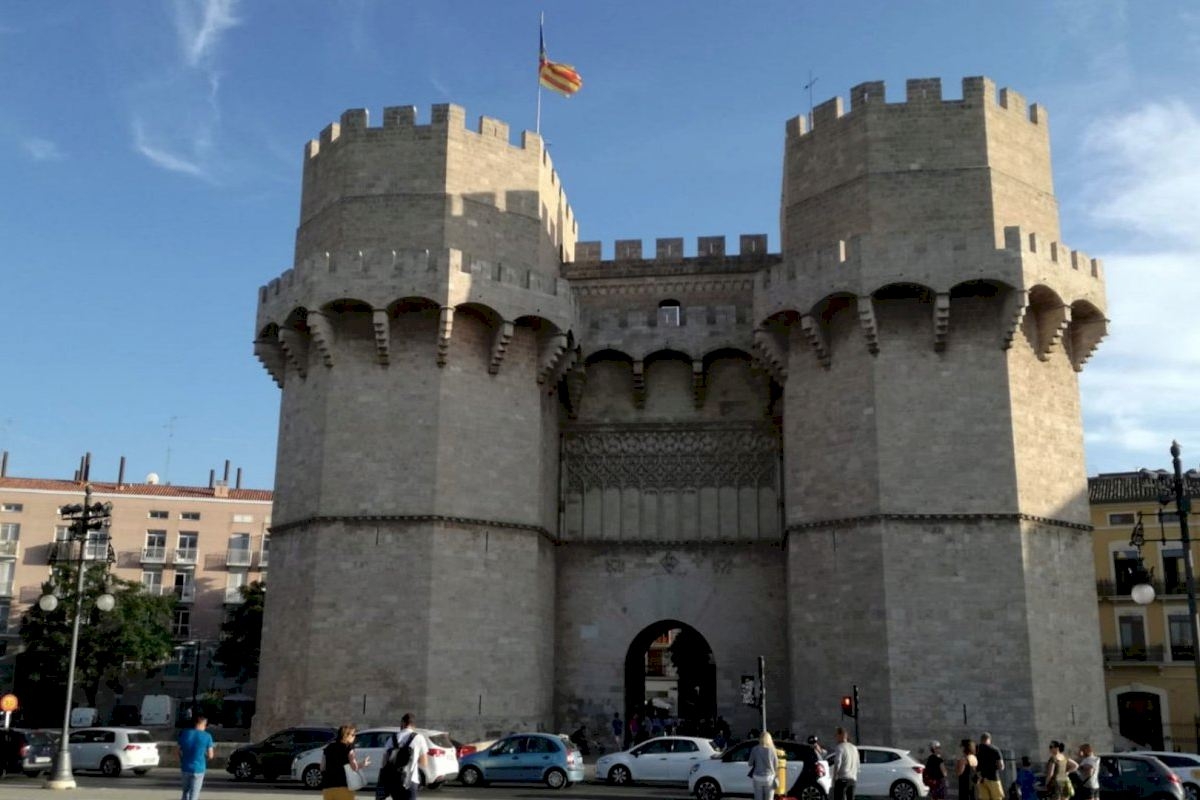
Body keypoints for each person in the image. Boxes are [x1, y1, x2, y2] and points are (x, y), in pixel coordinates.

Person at [381, 712, 429, 800]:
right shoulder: (419, 738)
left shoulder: (392, 738)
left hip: (394, 781)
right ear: (414, 725)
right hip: (410, 780)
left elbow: (384, 762)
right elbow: (424, 763)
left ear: (402, 723)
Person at [321, 724, 368, 800]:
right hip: (344, 787)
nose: (354, 737)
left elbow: (322, 767)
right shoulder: (348, 748)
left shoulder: (329, 747)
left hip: (328, 788)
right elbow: (354, 767)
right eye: (353, 735)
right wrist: (363, 764)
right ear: (346, 735)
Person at [178, 715, 214, 800]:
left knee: (185, 792)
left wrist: (182, 760)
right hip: (199, 768)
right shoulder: (207, 736)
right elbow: (211, 755)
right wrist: (205, 757)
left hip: (185, 767)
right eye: (205, 725)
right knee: (194, 794)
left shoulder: (184, 733)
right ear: (203, 724)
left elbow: (178, 751)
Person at [747, 731, 780, 800]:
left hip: (757, 777)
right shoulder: (772, 750)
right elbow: (776, 765)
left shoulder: (755, 749)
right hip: (769, 778)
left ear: (760, 739)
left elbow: (750, 763)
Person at [831, 726, 860, 800]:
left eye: (836, 735)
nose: (835, 737)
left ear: (840, 735)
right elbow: (857, 764)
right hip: (852, 779)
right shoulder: (854, 748)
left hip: (842, 779)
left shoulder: (840, 747)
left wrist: (834, 778)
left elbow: (838, 763)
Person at [977, 733, 1006, 800]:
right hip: (993, 778)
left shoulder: (976, 750)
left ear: (981, 739)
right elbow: (1001, 766)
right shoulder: (995, 749)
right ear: (989, 739)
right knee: (997, 798)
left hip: (981, 779)